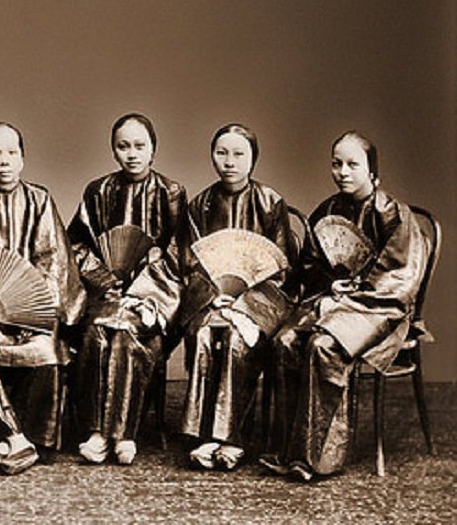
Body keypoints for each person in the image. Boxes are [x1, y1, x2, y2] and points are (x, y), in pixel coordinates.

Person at [262, 131, 428, 481]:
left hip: (379, 309)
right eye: (337, 163)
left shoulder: (394, 214)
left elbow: (400, 280)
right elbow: (309, 266)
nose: (343, 172)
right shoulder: (328, 210)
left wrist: (354, 294)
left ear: (372, 170)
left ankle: (319, 458)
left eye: (353, 164)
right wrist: (329, 284)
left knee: (324, 347)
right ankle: (288, 448)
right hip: (333, 302)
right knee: (285, 342)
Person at [0, 122, 85, 475]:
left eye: (12, 153)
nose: (4, 162)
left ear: (23, 158)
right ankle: (15, 437)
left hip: (34, 318)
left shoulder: (40, 200)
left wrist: (34, 313)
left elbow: (53, 260)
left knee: (46, 354)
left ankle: (23, 438)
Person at [68, 113, 186, 465]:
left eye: (140, 145)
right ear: (113, 150)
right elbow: (76, 245)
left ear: (153, 149)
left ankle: (123, 432)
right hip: (106, 294)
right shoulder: (98, 191)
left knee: (128, 335)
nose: (132, 154)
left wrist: (142, 288)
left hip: (153, 297)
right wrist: (105, 280)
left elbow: (178, 253)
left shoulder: (172, 192)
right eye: (123, 146)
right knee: (95, 333)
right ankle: (96, 431)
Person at [179, 124, 298, 471]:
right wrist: (214, 296)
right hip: (213, 301)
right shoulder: (199, 205)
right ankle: (200, 434)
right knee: (203, 334)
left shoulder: (271, 202)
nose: (229, 162)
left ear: (253, 158)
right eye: (222, 153)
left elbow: (282, 269)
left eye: (238, 154)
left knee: (234, 338)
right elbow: (190, 264)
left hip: (256, 304)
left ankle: (228, 437)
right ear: (212, 156)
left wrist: (243, 303)